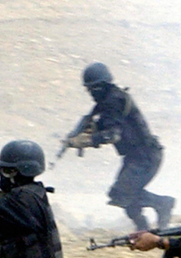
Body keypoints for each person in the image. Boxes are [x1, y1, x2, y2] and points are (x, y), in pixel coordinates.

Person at [63, 62, 173, 230]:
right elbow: (109, 124)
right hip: (137, 156)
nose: (91, 93)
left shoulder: (113, 101)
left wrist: (85, 140)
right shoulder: (109, 100)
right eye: (89, 89)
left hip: (146, 156)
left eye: (93, 88)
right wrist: (90, 129)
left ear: (101, 86)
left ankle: (163, 204)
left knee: (123, 194)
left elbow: (113, 134)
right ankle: (143, 230)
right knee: (119, 195)